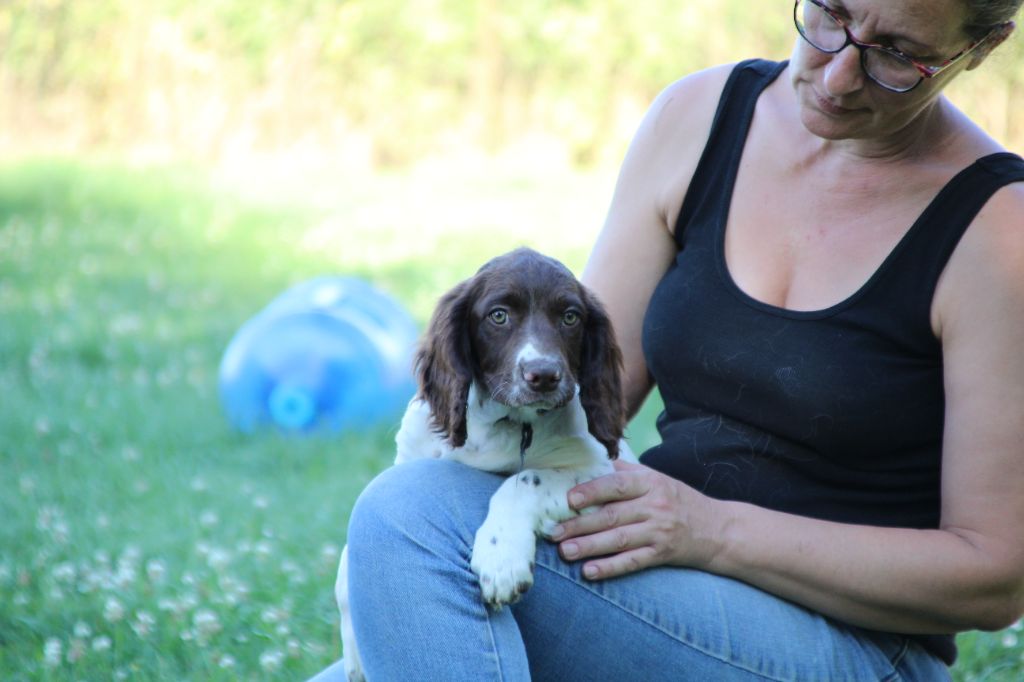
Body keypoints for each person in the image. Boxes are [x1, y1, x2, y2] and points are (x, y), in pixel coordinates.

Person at [312, 1, 1024, 679]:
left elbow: (992, 577)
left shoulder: (999, 233)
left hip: (854, 646)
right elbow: (587, 394)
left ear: (981, 49)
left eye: (898, 55)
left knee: (408, 517)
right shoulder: (696, 120)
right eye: (831, 16)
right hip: (657, 579)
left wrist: (712, 530)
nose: (838, 74)